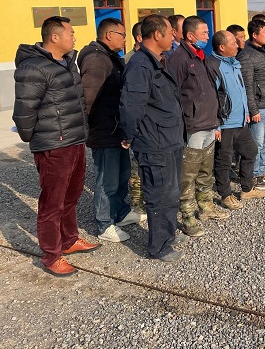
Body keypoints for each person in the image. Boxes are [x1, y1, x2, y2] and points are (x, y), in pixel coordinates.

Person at [13, 16, 100, 277]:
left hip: (74, 140)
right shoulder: (34, 67)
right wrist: (38, 139)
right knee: (52, 203)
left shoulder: (68, 62)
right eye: (70, 33)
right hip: (53, 144)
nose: (74, 37)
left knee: (71, 195)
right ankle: (51, 255)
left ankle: (69, 240)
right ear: (54, 37)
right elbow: (24, 111)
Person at [120, 15, 186, 262]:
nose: (173, 37)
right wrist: (129, 136)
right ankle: (158, 246)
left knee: (171, 192)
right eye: (170, 33)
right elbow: (131, 106)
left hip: (169, 138)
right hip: (155, 142)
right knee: (160, 194)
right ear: (157, 35)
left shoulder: (158, 61)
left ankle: (167, 235)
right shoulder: (140, 65)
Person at [78, 18, 144, 244]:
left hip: (117, 129)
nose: (125, 40)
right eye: (122, 35)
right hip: (105, 130)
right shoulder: (97, 60)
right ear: (109, 35)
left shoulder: (110, 57)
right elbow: (88, 100)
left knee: (122, 175)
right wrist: (92, 129)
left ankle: (121, 212)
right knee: (107, 180)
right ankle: (104, 223)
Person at [167, 16, 230, 237]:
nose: (207, 36)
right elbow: (174, 94)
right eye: (204, 33)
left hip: (209, 122)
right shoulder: (179, 59)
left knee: (205, 171)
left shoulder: (201, 56)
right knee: (188, 175)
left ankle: (206, 207)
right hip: (193, 125)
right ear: (190, 36)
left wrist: (216, 122)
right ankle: (187, 216)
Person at [207, 30, 265, 206]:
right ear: (221, 47)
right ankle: (225, 195)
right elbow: (211, 98)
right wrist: (215, 125)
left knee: (250, 151)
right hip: (225, 123)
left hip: (240, 120)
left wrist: (246, 111)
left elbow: (240, 90)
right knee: (223, 161)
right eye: (233, 43)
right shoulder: (213, 65)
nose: (238, 45)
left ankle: (247, 189)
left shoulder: (234, 63)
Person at [236, 19, 265, 189]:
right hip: (259, 108)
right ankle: (254, 175)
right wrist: (253, 109)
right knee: (257, 143)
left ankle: (262, 170)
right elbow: (247, 86)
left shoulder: (264, 51)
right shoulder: (247, 56)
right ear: (254, 35)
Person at [123, 21, 145, 214]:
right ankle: (136, 203)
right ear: (139, 38)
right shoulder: (131, 61)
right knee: (136, 167)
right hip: (138, 123)